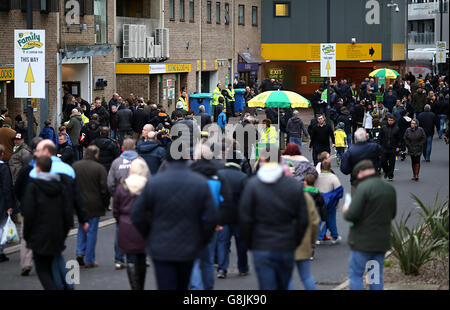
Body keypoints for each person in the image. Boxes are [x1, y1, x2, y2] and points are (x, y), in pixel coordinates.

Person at [131, 152, 218, 290]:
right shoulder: (199, 182)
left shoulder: (154, 183)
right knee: (183, 285)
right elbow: (212, 218)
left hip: (161, 246)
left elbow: (136, 214)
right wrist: (201, 239)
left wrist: (150, 234)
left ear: (167, 161)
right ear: (187, 160)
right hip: (189, 244)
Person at [239, 148, 309, 290]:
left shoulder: (252, 185)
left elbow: (244, 218)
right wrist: (295, 241)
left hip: (261, 245)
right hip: (286, 245)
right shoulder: (294, 186)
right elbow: (303, 218)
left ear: (263, 160)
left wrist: (251, 243)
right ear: (279, 159)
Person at [343, 160, 397, 290]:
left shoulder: (363, 188)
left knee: (356, 275)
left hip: (362, 242)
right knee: (375, 276)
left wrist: (346, 210)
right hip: (381, 242)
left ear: (361, 173)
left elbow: (352, 215)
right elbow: (393, 214)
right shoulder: (389, 188)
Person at [21, 156, 73, 289]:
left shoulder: (33, 187)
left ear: (37, 168)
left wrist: (27, 236)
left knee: (43, 270)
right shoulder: (60, 186)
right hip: (57, 232)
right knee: (55, 262)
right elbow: (67, 211)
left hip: (39, 235)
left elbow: (29, 214)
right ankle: (68, 285)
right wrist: (65, 231)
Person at [113, 158, 149, 290]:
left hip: (126, 225)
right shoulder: (148, 186)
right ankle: (141, 285)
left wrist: (120, 221)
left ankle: (135, 286)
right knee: (142, 256)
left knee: (130, 258)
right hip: (143, 227)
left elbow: (115, 210)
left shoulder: (122, 187)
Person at [107, 138, 143, 270]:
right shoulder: (140, 161)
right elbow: (148, 179)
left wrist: (115, 194)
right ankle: (138, 257)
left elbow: (110, 182)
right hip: (138, 199)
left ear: (122, 148)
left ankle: (119, 259)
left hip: (121, 199)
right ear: (134, 148)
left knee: (120, 229)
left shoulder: (117, 163)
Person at [73, 145, 110, 268]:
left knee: (81, 227)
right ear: (96, 155)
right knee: (92, 231)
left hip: (79, 203)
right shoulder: (99, 168)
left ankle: (80, 251)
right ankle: (89, 259)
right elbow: (104, 189)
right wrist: (105, 204)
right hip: (95, 204)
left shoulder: (76, 166)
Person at [216, 150, 250, 279]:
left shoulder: (219, 174)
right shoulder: (243, 177)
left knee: (222, 242)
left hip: (223, 214)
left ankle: (222, 269)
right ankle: (243, 267)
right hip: (239, 215)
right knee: (241, 242)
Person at [340, 128, 382, 193]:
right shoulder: (374, 147)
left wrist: (352, 169)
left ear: (355, 138)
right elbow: (381, 152)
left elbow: (344, 169)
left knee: (357, 202)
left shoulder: (350, 152)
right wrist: (369, 140)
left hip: (357, 182)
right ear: (366, 136)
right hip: (372, 181)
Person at [315, 159, 343, 244]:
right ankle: (334, 236)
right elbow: (339, 191)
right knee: (331, 220)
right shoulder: (333, 177)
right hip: (331, 203)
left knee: (320, 219)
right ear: (329, 168)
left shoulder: (317, 177)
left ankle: (319, 237)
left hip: (320, 202)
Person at [0, 144, 17, 263]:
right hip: (1, 200)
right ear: (2, 154)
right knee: (1, 226)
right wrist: (10, 205)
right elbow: (7, 187)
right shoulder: (3, 168)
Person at [378, 115, 401, 181]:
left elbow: (399, 139)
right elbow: (380, 137)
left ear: (393, 121)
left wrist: (398, 146)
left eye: (391, 120)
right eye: (389, 120)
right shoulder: (383, 127)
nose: (390, 122)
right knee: (383, 161)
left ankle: (390, 176)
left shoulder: (397, 129)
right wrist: (380, 145)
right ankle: (386, 171)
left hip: (392, 148)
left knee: (392, 163)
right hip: (384, 147)